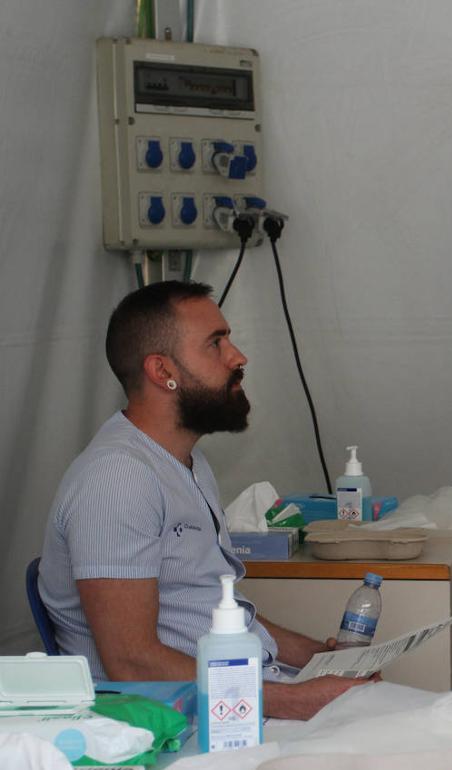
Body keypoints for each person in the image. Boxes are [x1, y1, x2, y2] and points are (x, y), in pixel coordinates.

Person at [39, 280, 372, 720]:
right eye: (216, 343)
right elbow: (131, 662)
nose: (238, 357)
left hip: (233, 698)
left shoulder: (186, 464)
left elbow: (212, 610)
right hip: (173, 720)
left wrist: (320, 659)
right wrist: (298, 701)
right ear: (162, 371)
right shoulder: (117, 479)